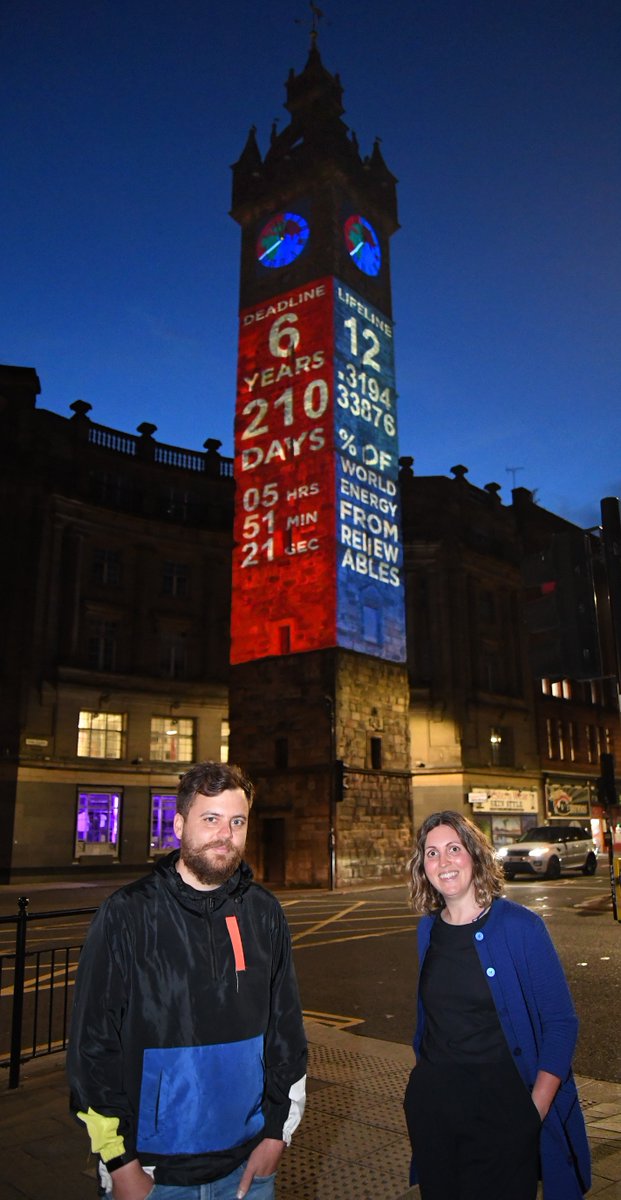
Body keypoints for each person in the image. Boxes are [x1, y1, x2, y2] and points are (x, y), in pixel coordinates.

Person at [67, 761, 307, 1200]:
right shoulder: (127, 913)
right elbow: (92, 1045)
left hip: (247, 1167)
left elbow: (286, 1031)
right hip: (153, 1173)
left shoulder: (264, 912)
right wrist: (119, 1164)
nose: (225, 834)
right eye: (210, 819)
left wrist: (277, 1135)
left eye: (237, 821)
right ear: (179, 825)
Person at [403, 810, 591, 1200]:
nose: (444, 862)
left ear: (474, 854)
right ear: (423, 866)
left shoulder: (520, 927)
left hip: (503, 1118)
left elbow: (561, 1023)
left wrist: (532, 1114)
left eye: (454, 848)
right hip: (435, 1116)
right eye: (432, 853)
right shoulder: (428, 929)